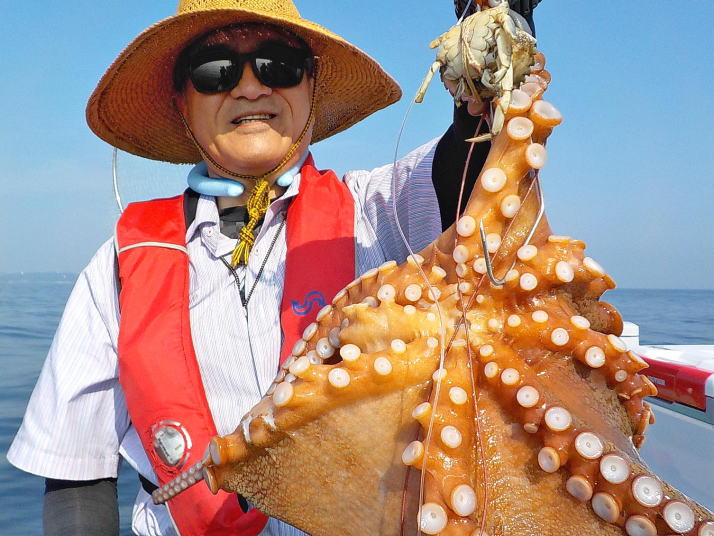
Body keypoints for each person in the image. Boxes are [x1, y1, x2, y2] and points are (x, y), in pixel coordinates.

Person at [7, 1, 540, 535]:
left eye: (278, 66)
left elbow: (470, 171)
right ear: (182, 101)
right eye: (215, 71)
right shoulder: (119, 267)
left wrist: (494, 48)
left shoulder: (377, 212)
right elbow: (77, 474)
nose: (249, 87)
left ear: (311, 88)